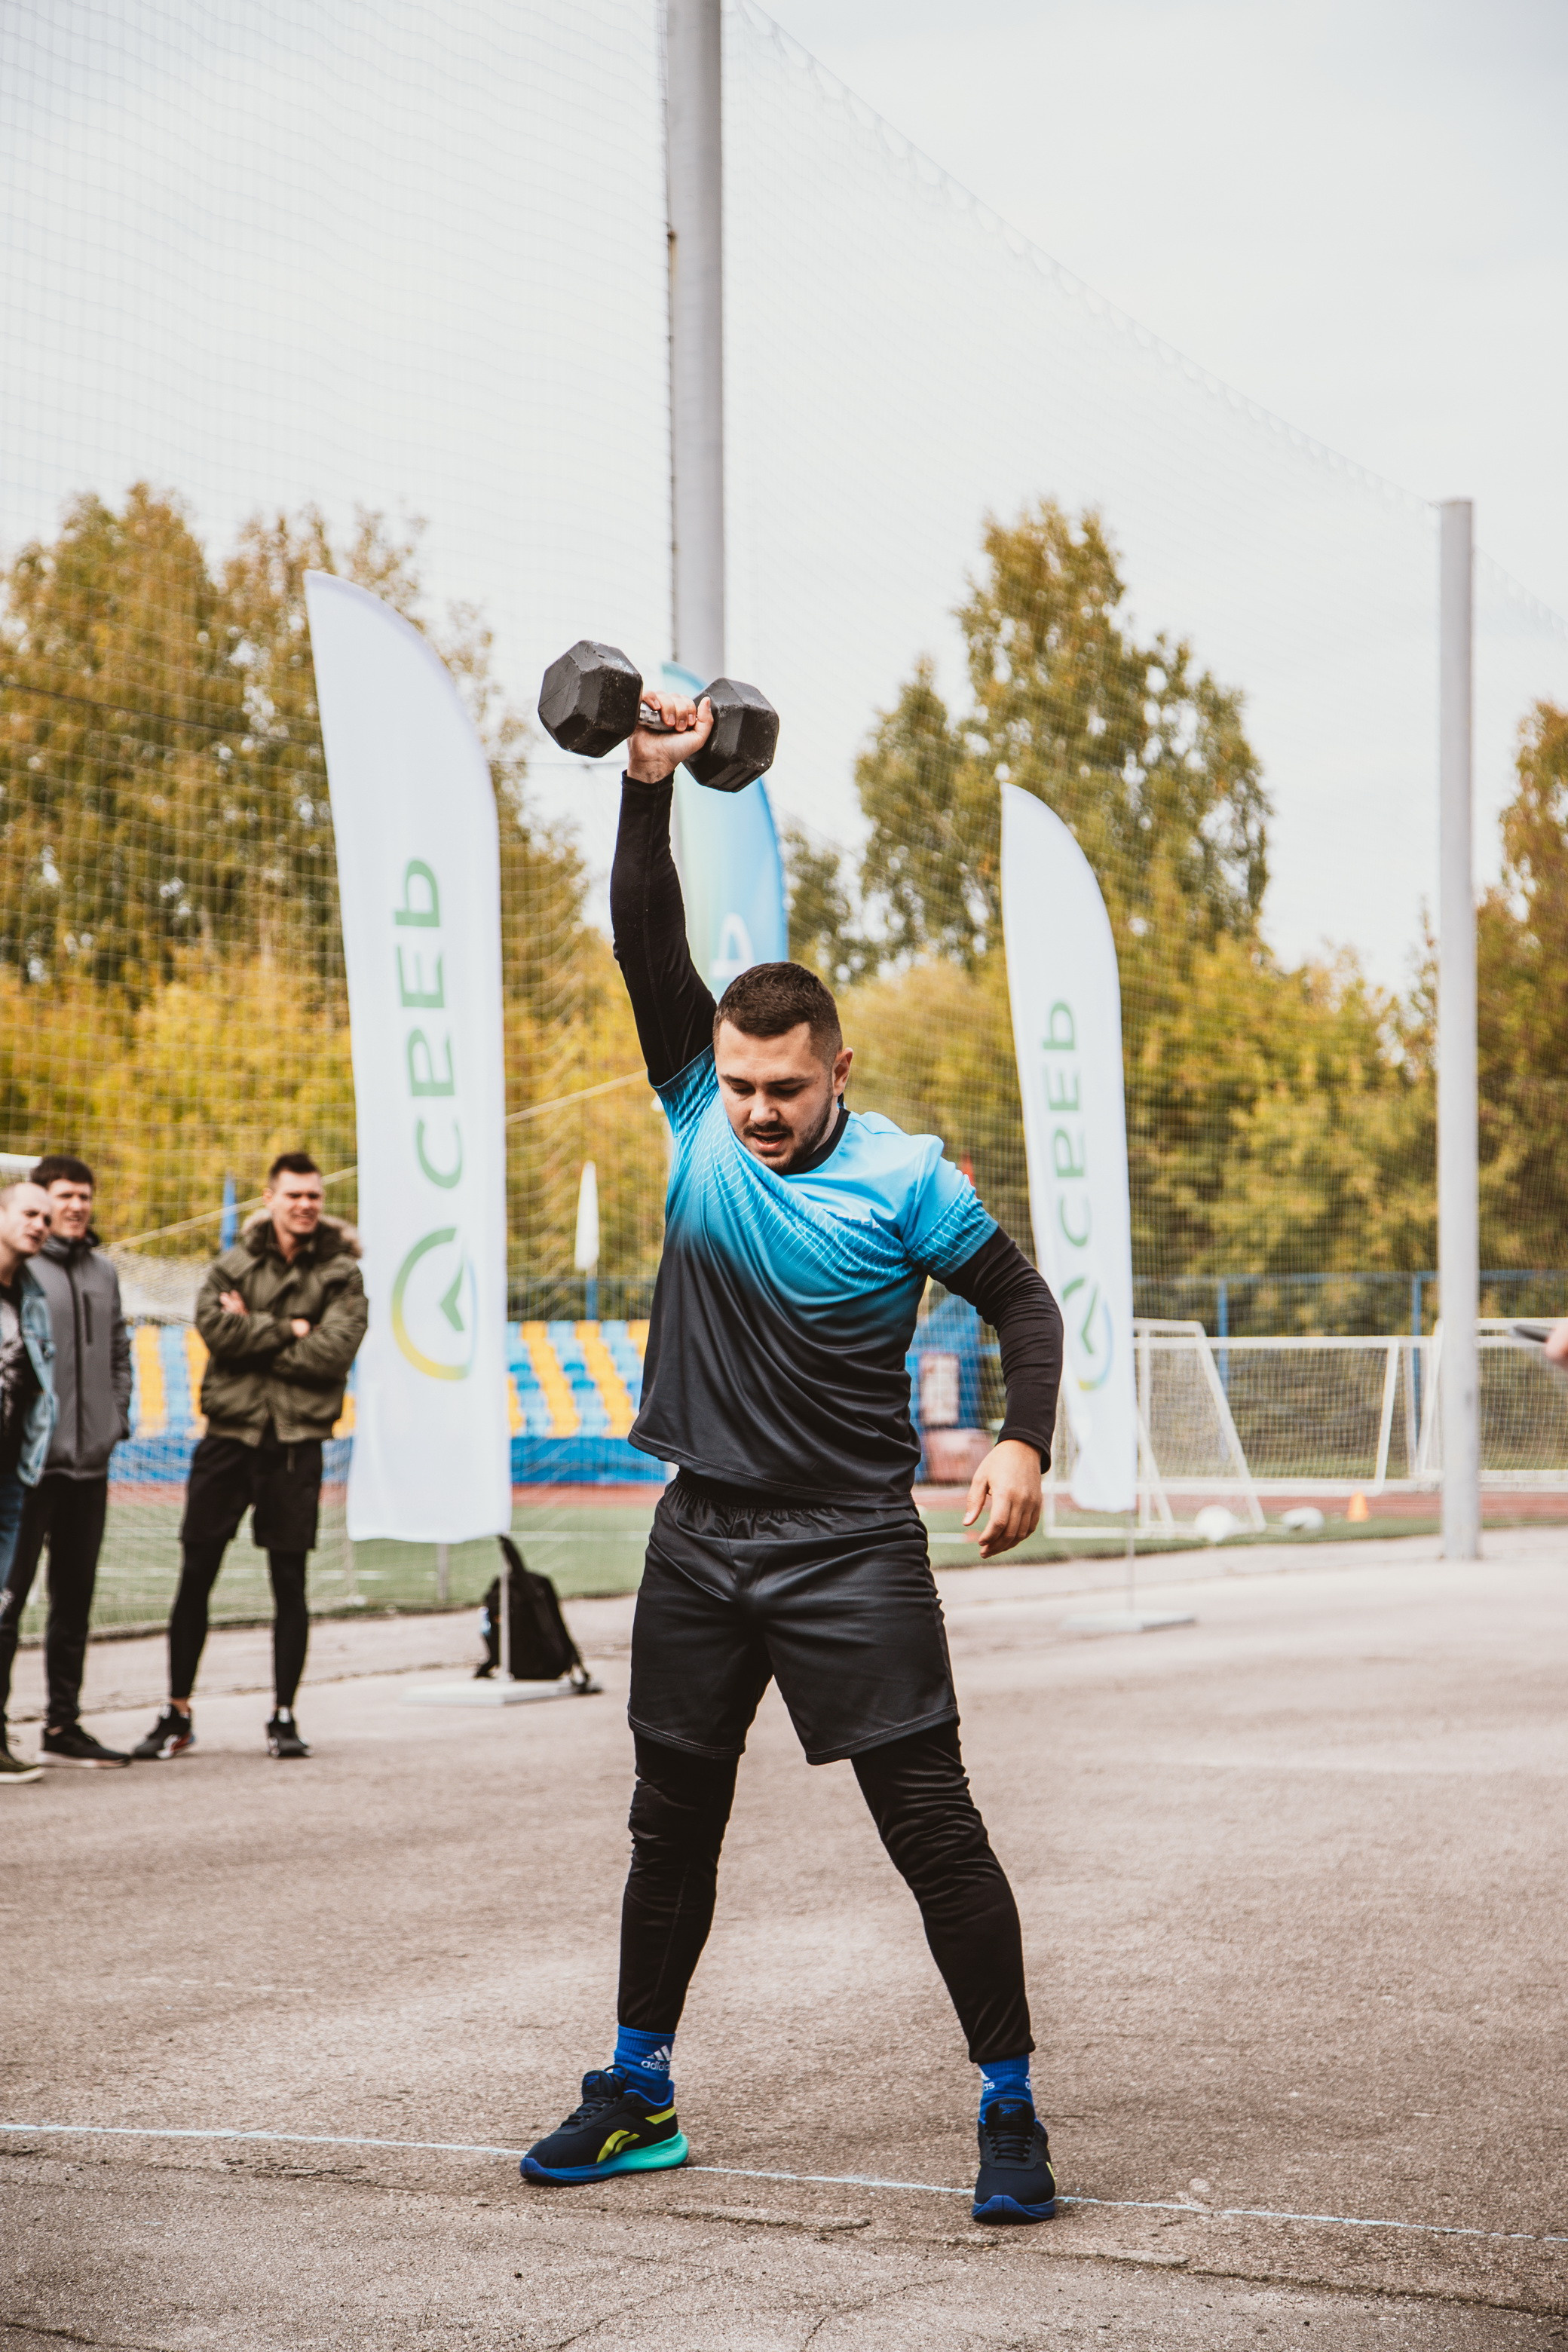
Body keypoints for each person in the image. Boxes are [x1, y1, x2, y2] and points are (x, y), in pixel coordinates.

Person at [521, 690, 1065, 2225]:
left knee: (932, 1830)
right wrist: (644, 784)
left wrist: (1023, 1435)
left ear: (840, 1066)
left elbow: (1021, 1302)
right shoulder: (692, 1110)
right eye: (739, 1084)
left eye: (786, 1086)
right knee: (667, 1820)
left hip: (846, 1542)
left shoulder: (904, 1179)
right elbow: (646, 942)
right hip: (699, 1534)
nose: (756, 1112)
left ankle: (1010, 2106)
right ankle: (637, 2089)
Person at [132, 1153, 367, 1763]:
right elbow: (216, 1331)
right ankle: (177, 1712)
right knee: (195, 1577)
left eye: (314, 1195)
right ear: (270, 1198)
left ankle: (283, 1716)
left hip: (294, 1447)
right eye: (294, 1195)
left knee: (289, 1582)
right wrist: (291, 1329)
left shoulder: (343, 1273)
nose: (305, 1205)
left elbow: (333, 1354)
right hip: (228, 1440)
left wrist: (258, 1334)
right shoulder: (231, 1264)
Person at [0, 1156, 134, 1769]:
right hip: (32, 1469)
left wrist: (116, 1421)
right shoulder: (26, 1273)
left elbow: (118, 1352)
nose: (75, 1206)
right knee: (9, 1599)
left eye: (84, 1196)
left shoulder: (105, 1270)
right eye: (62, 1197)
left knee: (74, 1599)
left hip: (90, 1465)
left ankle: (64, 1723)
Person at [0, 1181, 60, 1786]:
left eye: (46, 1217)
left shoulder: (33, 1296)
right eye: (28, 1213)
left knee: (2, 1607)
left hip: (13, 1476)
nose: (40, 1224)